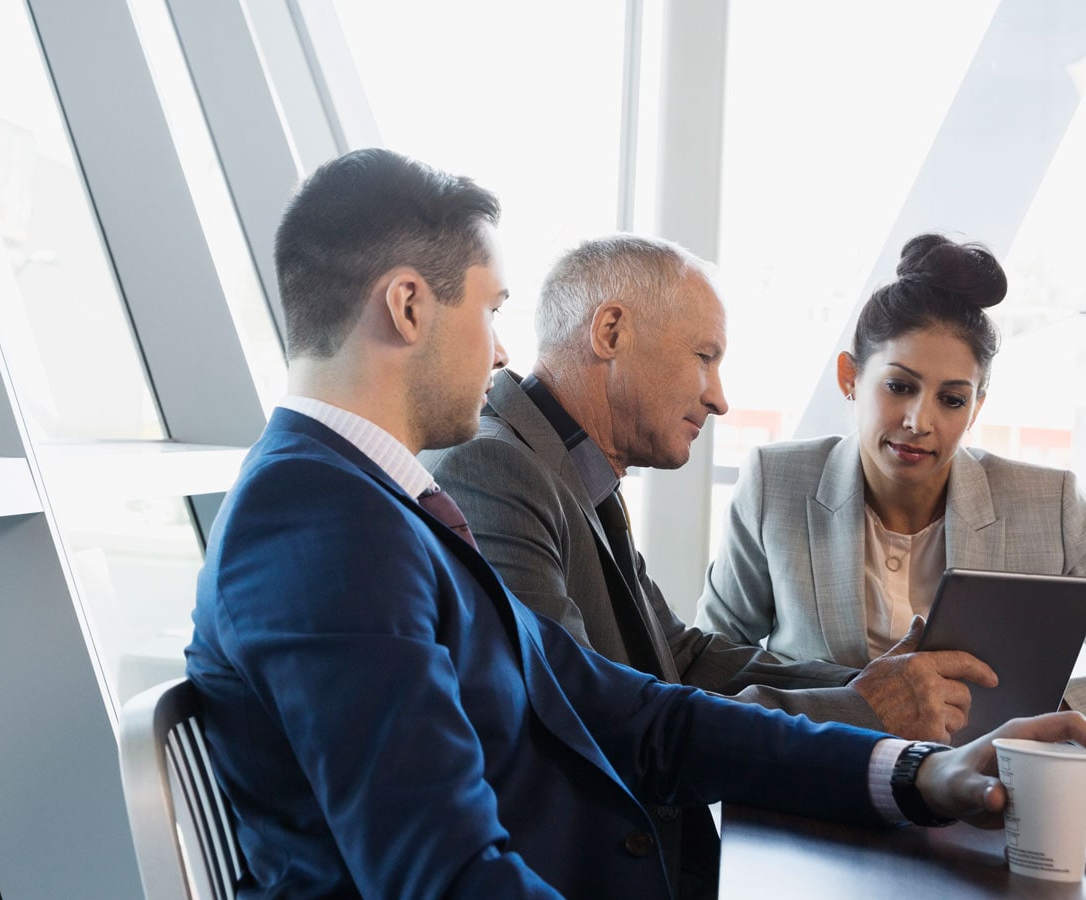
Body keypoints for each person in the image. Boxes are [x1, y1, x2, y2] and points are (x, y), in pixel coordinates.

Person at [185, 149, 1085, 899]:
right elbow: (448, 876)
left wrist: (917, 774)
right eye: (491, 310)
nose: (504, 349)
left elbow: (639, 714)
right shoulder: (319, 525)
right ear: (411, 305)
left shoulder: (379, 507)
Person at [419, 234, 995, 894]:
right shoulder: (496, 469)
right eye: (705, 357)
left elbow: (679, 656)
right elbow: (580, 720)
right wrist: (860, 706)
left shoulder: (569, 471)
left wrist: (876, 680)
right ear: (610, 330)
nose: (719, 397)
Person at [694, 235, 1086, 679]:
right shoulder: (776, 484)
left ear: (976, 407)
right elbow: (712, 661)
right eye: (900, 387)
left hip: (989, 750)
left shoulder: (1050, 506)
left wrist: (1050, 724)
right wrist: (849, 700)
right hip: (826, 747)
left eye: (952, 400)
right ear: (850, 377)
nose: (920, 421)